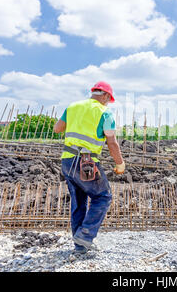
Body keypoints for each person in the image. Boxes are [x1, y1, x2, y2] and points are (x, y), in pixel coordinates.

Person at [53, 81, 125, 253]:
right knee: (103, 196)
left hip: (67, 160)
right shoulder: (105, 113)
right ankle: (85, 235)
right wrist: (120, 164)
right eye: (109, 99)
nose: (108, 103)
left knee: (78, 202)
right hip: (86, 162)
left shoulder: (72, 107)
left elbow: (57, 129)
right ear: (106, 95)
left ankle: (80, 246)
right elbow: (112, 142)